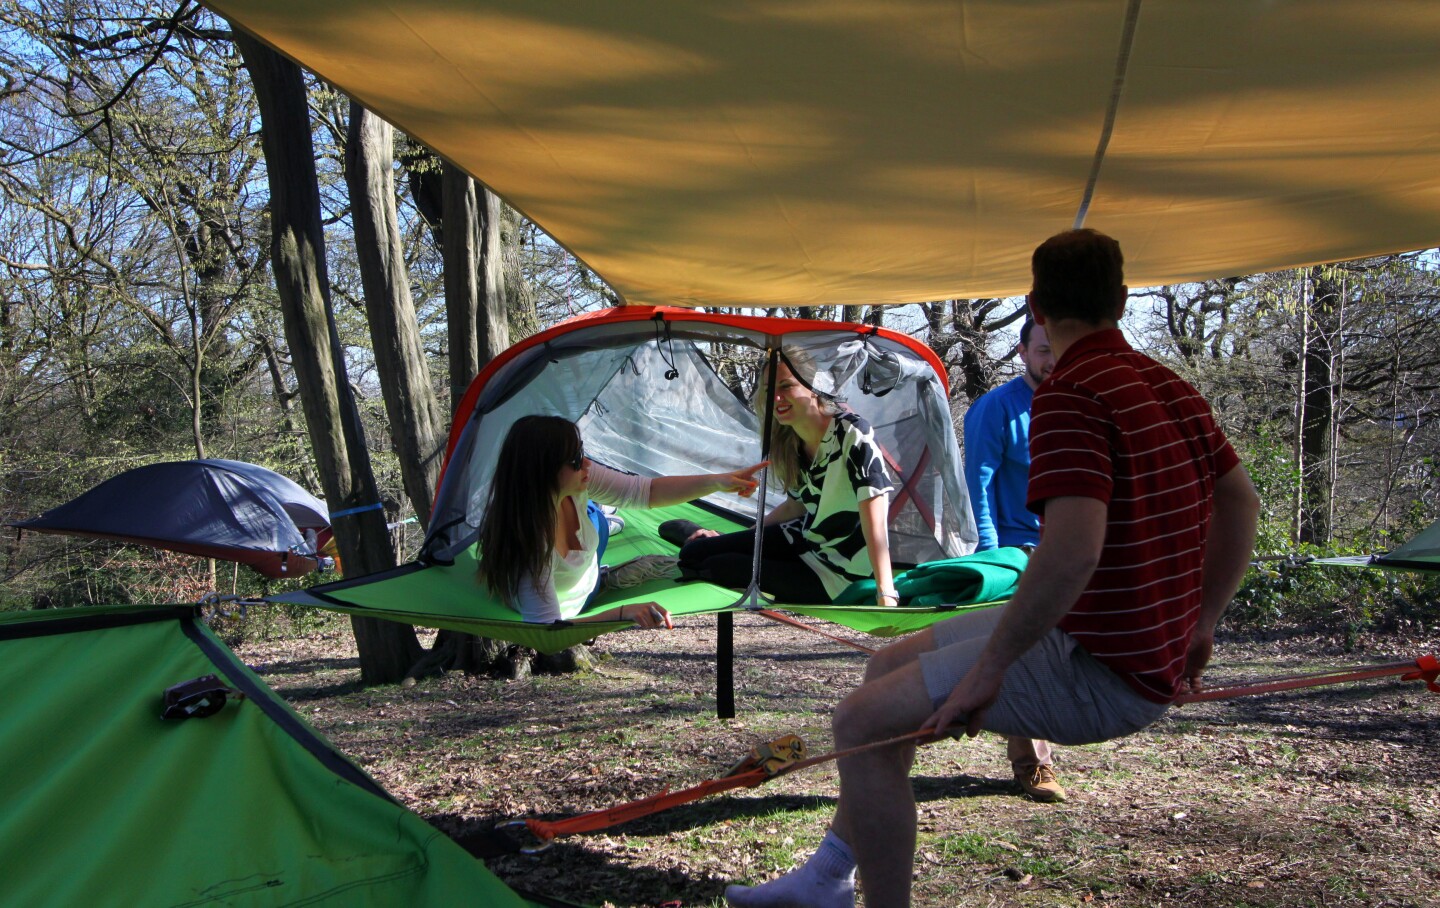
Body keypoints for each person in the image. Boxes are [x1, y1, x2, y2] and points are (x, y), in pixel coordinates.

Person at [724, 229, 1260, 908]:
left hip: (1100, 665)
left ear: (1034, 305)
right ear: (1122, 300)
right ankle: (825, 882)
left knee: (860, 723)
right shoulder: (1170, 387)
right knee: (881, 671)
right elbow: (1242, 500)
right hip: (1110, 640)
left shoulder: (1071, 392)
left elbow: (1072, 553)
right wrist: (1205, 619)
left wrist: (988, 670)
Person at [476, 415, 766, 627]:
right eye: (576, 459)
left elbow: (644, 491)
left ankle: (603, 515)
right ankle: (602, 518)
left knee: (597, 518)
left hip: (589, 537)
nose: (587, 463)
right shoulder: (530, 547)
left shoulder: (576, 480)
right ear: (543, 471)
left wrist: (717, 482)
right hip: (582, 593)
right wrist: (622, 611)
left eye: (583, 452)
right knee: (596, 520)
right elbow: (549, 631)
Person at [678, 354, 898, 606]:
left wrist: (885, 591)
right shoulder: (790, 438)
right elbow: (796, 506)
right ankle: (708, 537)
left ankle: (708, 540)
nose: (776, 398)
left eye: (786, 386)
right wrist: (743, 538)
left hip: (838, 573)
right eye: (769, 390)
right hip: (802, 540)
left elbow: (875, 515)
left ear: (815, 388)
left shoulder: (852, 434)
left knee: (714, 566)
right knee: (692, 553)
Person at [962, 320, 1065, 802]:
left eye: (1060, 349)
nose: (1053, 359)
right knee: (1026, 654)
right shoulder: (996, 408)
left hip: (1069, 548)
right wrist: (991, 554)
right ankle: (1033, 765)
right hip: (1015, 551)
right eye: (1043, 349)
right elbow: (976, 483)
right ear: (1022, 351)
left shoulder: (1079, 403)